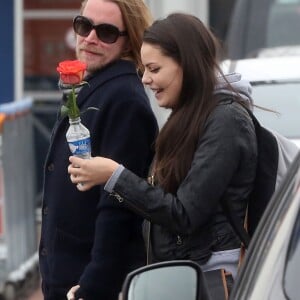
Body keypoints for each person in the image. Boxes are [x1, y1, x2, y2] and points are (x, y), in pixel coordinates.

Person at [68, 12, 257, 288]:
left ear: (187, 64)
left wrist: (114, 175)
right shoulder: (190, 115)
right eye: (144, 70)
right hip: (182, 276)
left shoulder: (226, 120)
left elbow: (184, 214)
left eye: (154, 69)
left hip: (209, 280)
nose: (145, 79)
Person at [39, 0, 158, 299]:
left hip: (87, 284)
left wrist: (94, 286)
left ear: (129, 39)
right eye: (84, 25)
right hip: (68, 276)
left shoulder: (124, 100)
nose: (89, 38)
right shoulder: (95, 86)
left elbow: (119, 206)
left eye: (106, 32)